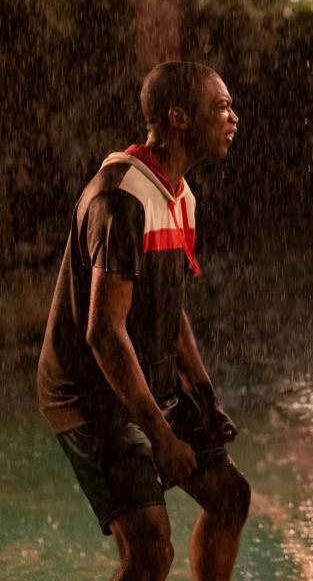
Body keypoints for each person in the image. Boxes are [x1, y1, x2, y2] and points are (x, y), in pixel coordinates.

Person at [37, 61, 249, 580]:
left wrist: (204, 396)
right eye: (221, 107)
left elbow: (168, 309)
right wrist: (160, 436)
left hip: (141, 380)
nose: (233, 117)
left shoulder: (179, 194)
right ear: (178, 117)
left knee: (229, 496)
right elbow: (104, 334)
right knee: (151, 551)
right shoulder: (121, 198)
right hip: (88, 394)